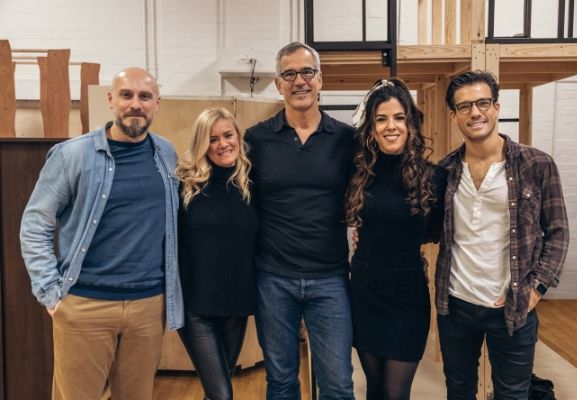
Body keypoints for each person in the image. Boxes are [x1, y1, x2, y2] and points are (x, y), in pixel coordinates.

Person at [19, 67, 183, 400]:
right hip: (85, 305)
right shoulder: (72, 155)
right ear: (111, 100)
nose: (135, 104)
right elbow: (35, 224)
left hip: (148, 306)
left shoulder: (166, 154)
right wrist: (49, 291)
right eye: (126, 95)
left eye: (144, 96)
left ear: (157, 103)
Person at [435, 70, 569, 400]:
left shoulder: (536, 164)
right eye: (464, 106)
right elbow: (425, 227)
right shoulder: (445, 170)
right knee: (459, 392)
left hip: (512, 307)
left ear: (496, 107)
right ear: (453, 116)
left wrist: (536, 290)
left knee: (512, 395)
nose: (474, 112)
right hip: (456, 305)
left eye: (482, 103)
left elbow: (558, 232)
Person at [245, 41, 355, 399]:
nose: (299, 81)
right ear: (279, 85)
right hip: (273, 279)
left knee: (337, 385)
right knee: (281, 383)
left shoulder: (347, 139)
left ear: (320, 79)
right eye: (289, 74)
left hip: (330, 279)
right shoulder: (257, 139)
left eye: (307, 72)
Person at [345, 79, 446, 400]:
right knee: (374, 390)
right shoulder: (358, 174)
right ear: (371, 129)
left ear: (411, 124)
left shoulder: (434, 177)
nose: (391, 126)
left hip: (407, 297)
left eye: (399, 117)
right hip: (365, 293)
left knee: (395, 392)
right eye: (381, 119)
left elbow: (435, 231)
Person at [176, 107, 258, 400]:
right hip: (195, 309)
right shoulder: (185, 185)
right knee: (222, 394)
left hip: (236, 306)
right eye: (212, 139)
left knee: (218, 389)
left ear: (238, 137)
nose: (223, 144)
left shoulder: (250, 184)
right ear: (202, 144)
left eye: (228, 135)